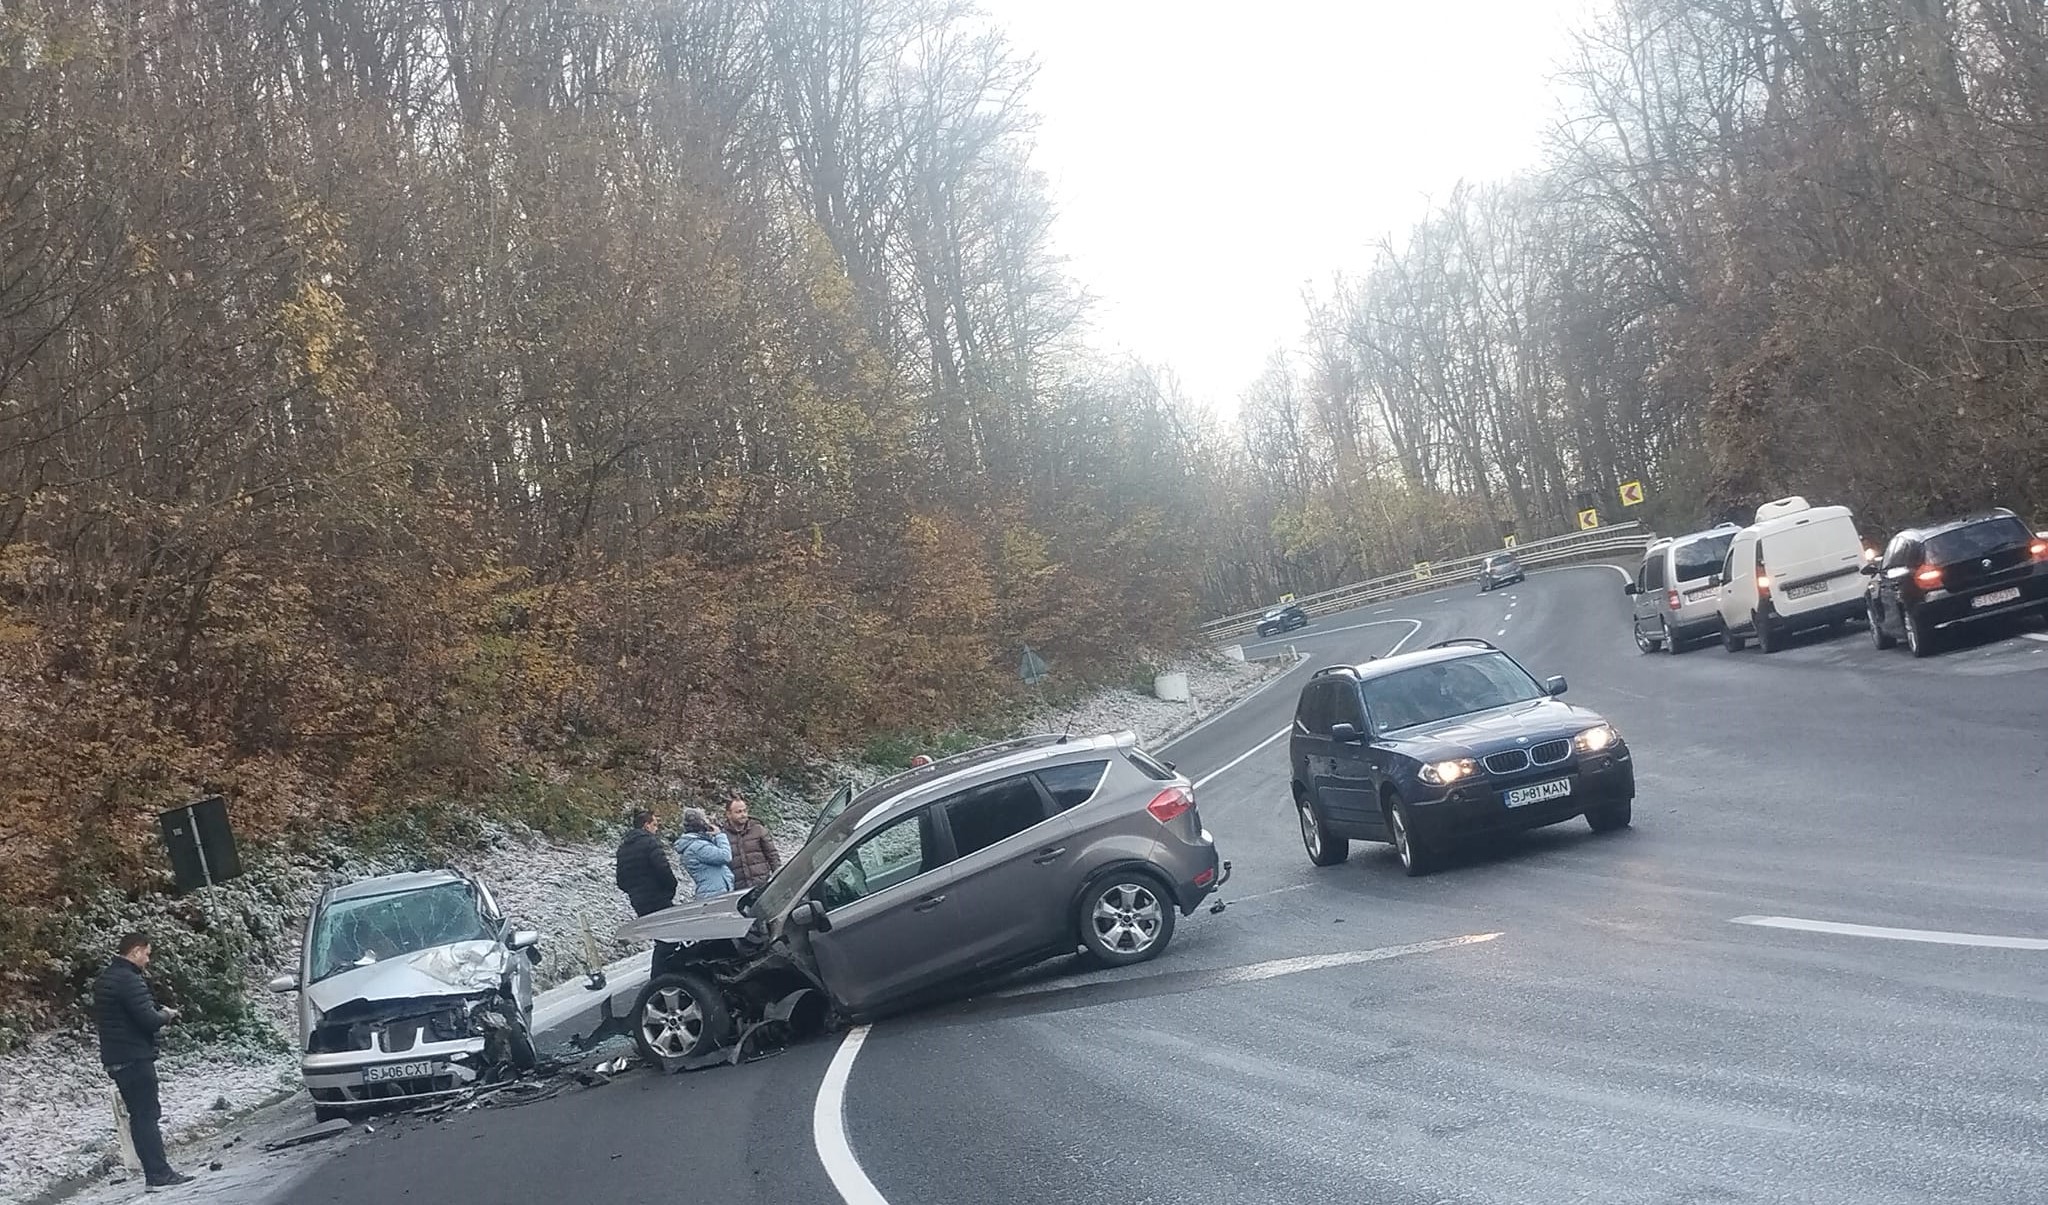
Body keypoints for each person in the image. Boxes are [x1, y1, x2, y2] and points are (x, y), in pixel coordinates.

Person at [93, 933, 192, 1189]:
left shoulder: (106, 979)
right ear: (135, 951)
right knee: (147, 1115)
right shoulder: (129, 980)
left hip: (117, 1058)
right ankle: (159, 1174)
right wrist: (166, 1015)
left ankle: (155, 1173)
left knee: (139, 1116)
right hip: (135, 1057)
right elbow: (147, 1020)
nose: (148, 959)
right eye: (147, 953)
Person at [614, 809, 679, 917]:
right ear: (646, 825)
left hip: (638, 901)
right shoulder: (650, 842)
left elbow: (621, 880)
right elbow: (663, 869)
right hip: (658, 897)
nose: (656, 829)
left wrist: (634, 892)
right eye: (655, 825)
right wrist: (671, 887)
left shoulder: (623, 848)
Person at [723, 796, 783, 891]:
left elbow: (772, 855)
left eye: (745, 811)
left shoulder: (758, 829)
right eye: (738, 812)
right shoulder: (723, 836)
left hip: (761, 885)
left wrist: (779, 877)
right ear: (728, 814)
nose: (743, 814)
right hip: (738, 888)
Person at [673, 808, 734, 897]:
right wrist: (719, 835)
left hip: (712, 891)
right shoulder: (698, 846)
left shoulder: (697, 843)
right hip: (713, 894)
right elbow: (725, 856)